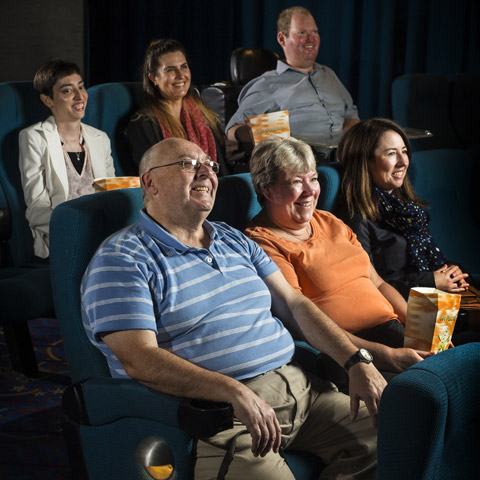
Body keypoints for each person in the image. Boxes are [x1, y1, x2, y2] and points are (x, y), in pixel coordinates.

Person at [82, 137, 387, 479]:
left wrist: (355, 360)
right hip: (225, 414)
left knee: (394, 439)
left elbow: (294, 305)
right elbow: (139, 359)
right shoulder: (123, 259)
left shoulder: (233, 238)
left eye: (210, 166)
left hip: (301, 389)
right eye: (187, 164)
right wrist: (231, 390)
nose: (206, 173)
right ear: (150, 182)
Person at [245, 137, 414, 351]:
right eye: (296, 182)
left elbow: (378, 283)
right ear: (267, 190)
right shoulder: (262, 242)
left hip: (391, 330)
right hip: (348, 347)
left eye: (313, 179)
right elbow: (298, 320)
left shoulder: (329, 220)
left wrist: (420, 331)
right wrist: (384, 354)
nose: (310, 191)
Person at [335, 118, 470, 300]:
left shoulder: (406, 209)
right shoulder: (355, 217)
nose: (403, 162)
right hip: (406, 312)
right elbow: (366, 287)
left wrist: (451, 270)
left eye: (404, 151)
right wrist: (430, 281)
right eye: (391, 153)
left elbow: (430, 261)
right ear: (365, 160)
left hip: (437, 299)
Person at [226, 6, 359, 159]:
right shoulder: (267, 83)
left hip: (344, 155)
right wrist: (268, 133)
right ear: (282, 38)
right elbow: (232, 129)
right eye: (302, 32)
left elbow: (351, 115)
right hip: (301, 159)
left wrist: (349, 142)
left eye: (314, 32)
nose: (311, 38)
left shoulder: (328, 74)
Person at [19, 58, 115, 259]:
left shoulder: (101, 139)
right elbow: (36, 210)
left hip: (104, 235)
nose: (80, 97)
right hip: (63, 237)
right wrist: (77, 226)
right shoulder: (33, 138)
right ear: (48, 100)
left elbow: (111, 196)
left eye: (81, 87)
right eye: (67, 91)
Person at [125, 38, 229, 175]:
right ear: (153, 78)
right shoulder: (143, 126)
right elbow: (155, 177)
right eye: (170, 70)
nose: (181, 76)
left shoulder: (205, 117)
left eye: (184, 67)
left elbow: (221, 170)